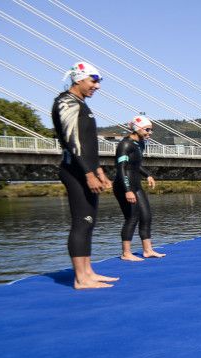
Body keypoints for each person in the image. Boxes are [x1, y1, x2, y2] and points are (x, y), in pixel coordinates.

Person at [52, 61, 117, 289]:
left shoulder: (81, 103)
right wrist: (89, 173)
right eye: (93, 81)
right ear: (78, 79)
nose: (97, 87)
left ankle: (88, 272)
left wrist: (99, 171)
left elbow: (89, 145)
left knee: (89, 221)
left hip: (86, 169)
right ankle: (81, 278)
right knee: (81, 222)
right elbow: (73, 142)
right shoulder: (66, 102)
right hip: (75, 170)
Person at [112, 115, 164, 261]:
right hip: (124, 186)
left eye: (151, 130)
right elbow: (121, 168)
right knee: (132, 217)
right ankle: (126, 253)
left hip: (136, 185)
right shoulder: (125, 145)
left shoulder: (140, 143)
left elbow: (136, 165)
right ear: (137, 128)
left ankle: (148, 250)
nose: (150, 133)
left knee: (146, 216)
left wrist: (148, 175)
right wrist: (128, 190)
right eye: (147, 129)